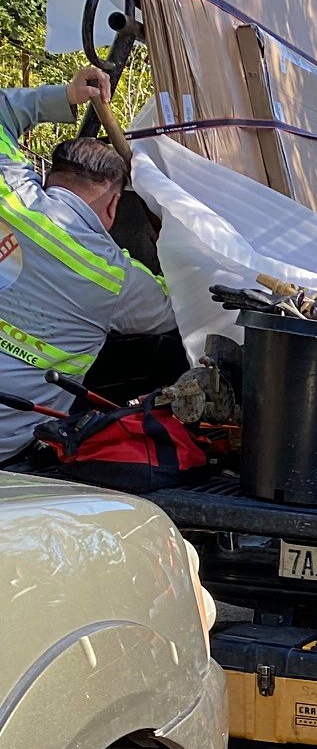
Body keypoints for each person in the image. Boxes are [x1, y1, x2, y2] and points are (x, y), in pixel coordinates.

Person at [0, 65, 182, 462]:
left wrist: (64, 96)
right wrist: (177, 236)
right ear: (114, 204)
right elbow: (182, 304)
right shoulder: (116, 280)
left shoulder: (7, 187)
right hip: (7, 450)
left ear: (52, 175)